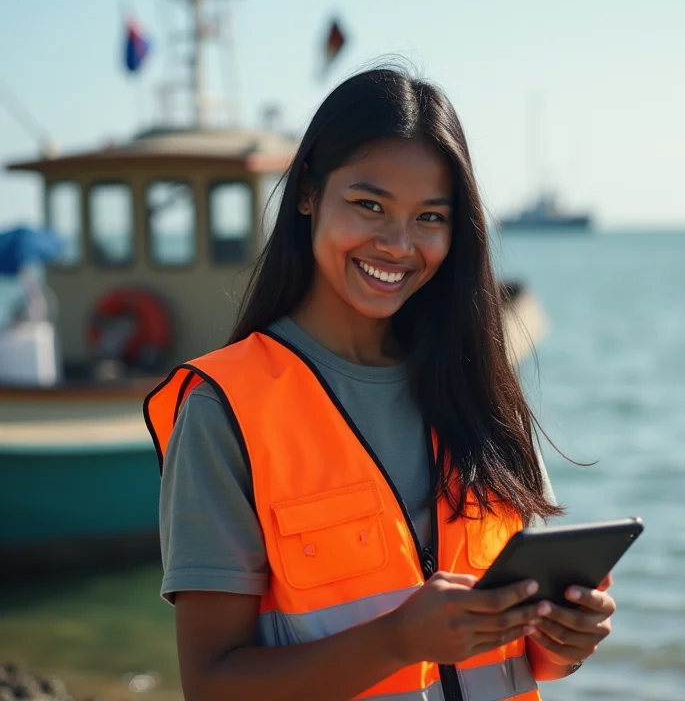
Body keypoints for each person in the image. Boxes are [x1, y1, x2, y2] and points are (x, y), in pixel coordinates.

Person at [144, 67, 616, 701]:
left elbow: (530, 658)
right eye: (369, 206)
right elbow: (212, 686)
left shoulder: (482, 387)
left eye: (430, 217)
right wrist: (397, 641)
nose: (397, 244)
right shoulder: (223, 408)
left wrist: (565, 642)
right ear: (307, 192)